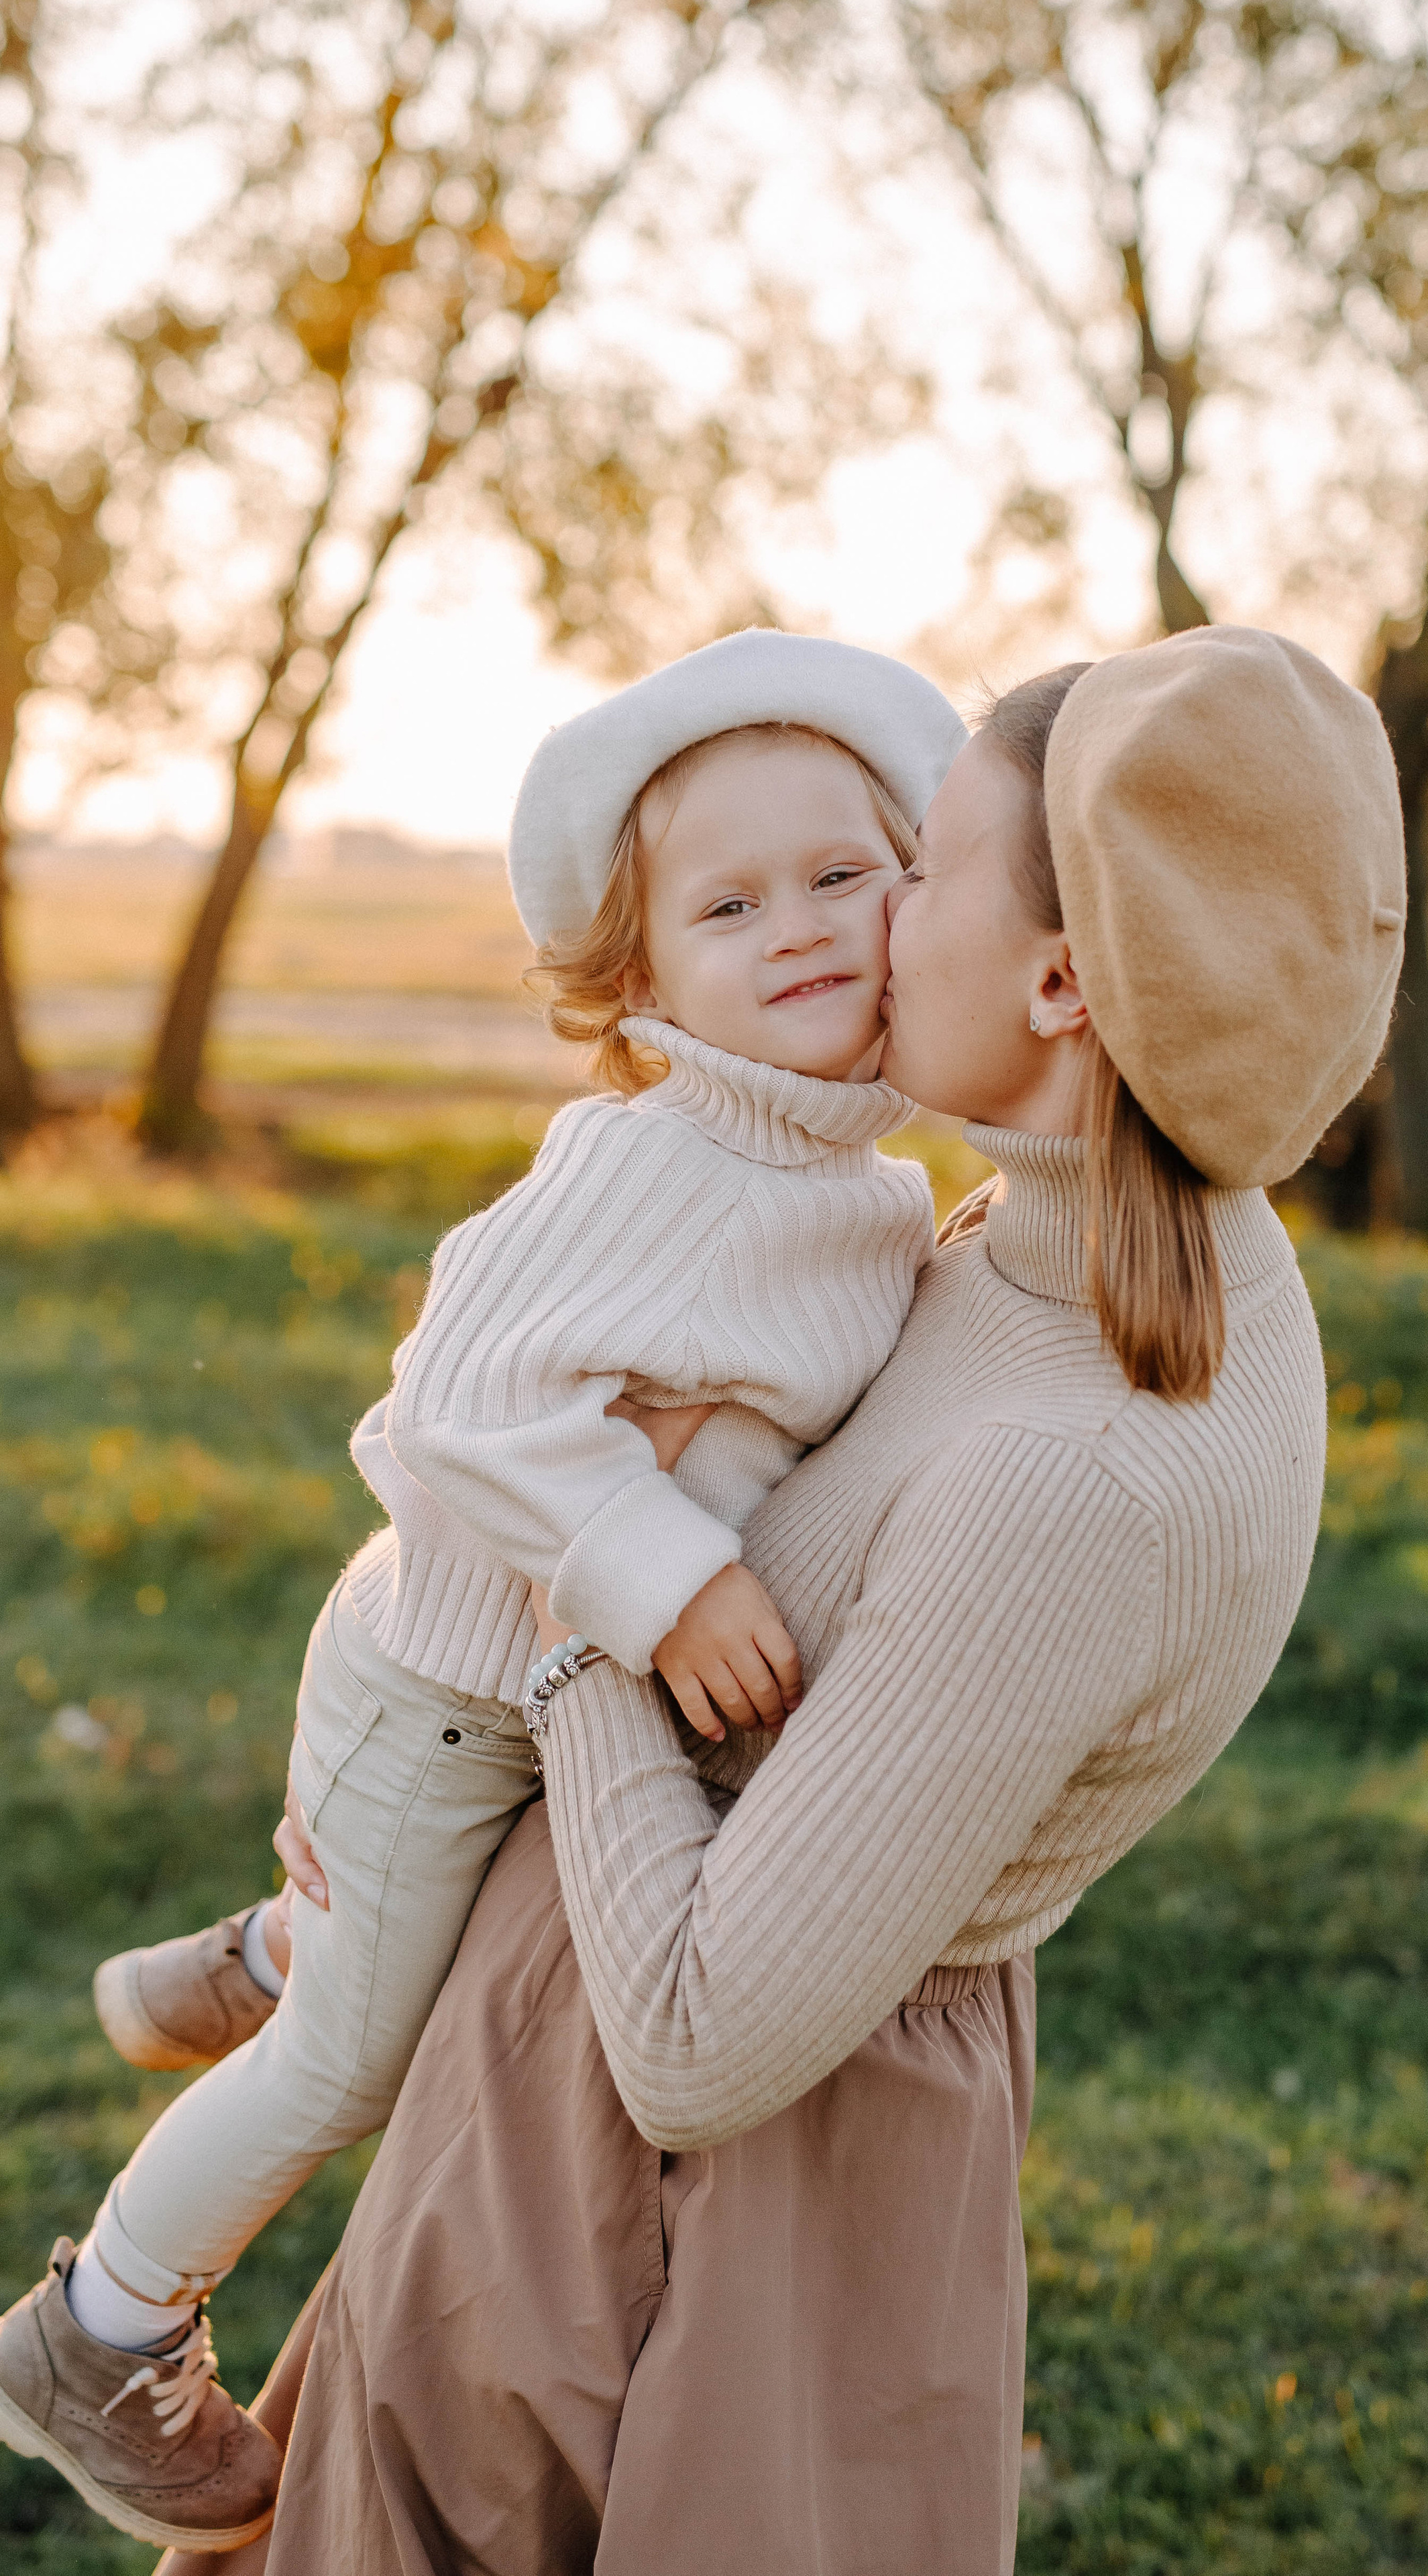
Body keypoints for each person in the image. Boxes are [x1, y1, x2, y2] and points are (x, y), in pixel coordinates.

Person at [168, 625, 1406, 2576]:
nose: (876, 915)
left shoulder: (1081, 1471)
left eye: (921, 864)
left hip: (678, 2215)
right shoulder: (1069, 1225)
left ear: (1068, 984)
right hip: (577, 2065)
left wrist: (577, 1603)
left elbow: (696, 2039)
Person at [0, 629, 971, 2555]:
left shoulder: (858, 1187)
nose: (794, 928)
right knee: (351, 2062)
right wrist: (667, 1577)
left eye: (842, 877)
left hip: (508, 1699)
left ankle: (276, 1941)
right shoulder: (661, 1153)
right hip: (441, 1681)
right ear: (640, 978)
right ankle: (94, 2334)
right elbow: (449, 1402)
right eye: (726, 902)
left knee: (382, 1951)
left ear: (921, 896)